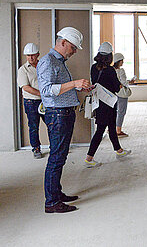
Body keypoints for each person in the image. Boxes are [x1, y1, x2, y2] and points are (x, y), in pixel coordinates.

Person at [37, 27, 92, 213]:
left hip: (64, 114)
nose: (74, 51)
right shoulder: (47, 61)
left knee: (60, 156)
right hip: (58, 115)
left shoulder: (59, 61)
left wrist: (77, 88)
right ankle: (51, 202)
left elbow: (59, 89)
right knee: (56, 158)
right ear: (62, 43)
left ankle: (56, 193)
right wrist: (74, 83)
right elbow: (46, 90)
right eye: (73, 47)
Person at [85, 42, 131, 168]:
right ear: (109, 56)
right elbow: (116, 87)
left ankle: (119, 150)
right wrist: (120, 85)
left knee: (111, 128)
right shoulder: (110, 70)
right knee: (100, 131)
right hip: (109, 103)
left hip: (99, 103)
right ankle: (89, 158)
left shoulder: (93, 67)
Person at [17, 42, 45, 159]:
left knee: (51, 124)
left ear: (38, 54)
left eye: (33, 55)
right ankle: (36, 148)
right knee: (33, 126)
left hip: (44, 102)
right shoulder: (23, 70)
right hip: (31, 102)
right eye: (28, 55)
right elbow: (25, 87)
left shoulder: (43, 66)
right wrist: (42, 94)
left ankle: (55, 146)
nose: (30, 58)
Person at [113, 53, 134, 137]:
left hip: (113, 93)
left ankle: (112, 128)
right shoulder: (121, 71)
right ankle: (118, 130)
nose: (123, 62)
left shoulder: (111, 70)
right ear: (118, 61)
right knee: (121, 111)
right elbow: (124, 82)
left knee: (114, 111)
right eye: (122, 61)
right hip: (121, 93)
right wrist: (130, 82)